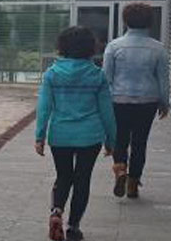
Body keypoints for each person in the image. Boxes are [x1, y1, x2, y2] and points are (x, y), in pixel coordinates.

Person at [35, 26, 116, 241]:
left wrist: (39, 136)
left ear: (62, 47)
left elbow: (44, 107)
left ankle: (56, 211)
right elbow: (107, 111)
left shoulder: (52, 74)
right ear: (91, 48)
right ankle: (73, 226)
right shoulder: (97, 76)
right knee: (82, 180)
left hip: (60, 135)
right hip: (90, 137)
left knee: (63, 176)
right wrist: (111, 139)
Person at [103, 2, 169, 199]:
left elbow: (106, 78)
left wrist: (105, 103)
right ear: (150, 22)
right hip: (147, 100)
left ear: (125, 21)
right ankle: (133, 183)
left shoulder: (114, 46)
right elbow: (163, 78)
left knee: (120, 138)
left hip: (119, 99)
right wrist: (164, 102)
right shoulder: (158, 48)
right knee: (140, 142)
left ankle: (120, 168)